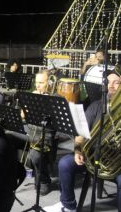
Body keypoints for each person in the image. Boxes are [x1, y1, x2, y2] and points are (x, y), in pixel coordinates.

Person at [43, 69, 121, 212]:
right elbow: (80, 134)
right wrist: (78, 150)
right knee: (65, 163)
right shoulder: (96, 106)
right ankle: (68, 205)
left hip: (117, 162)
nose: (111, 86)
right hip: (92, 157)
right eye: (108, 82)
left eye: (117, 83)